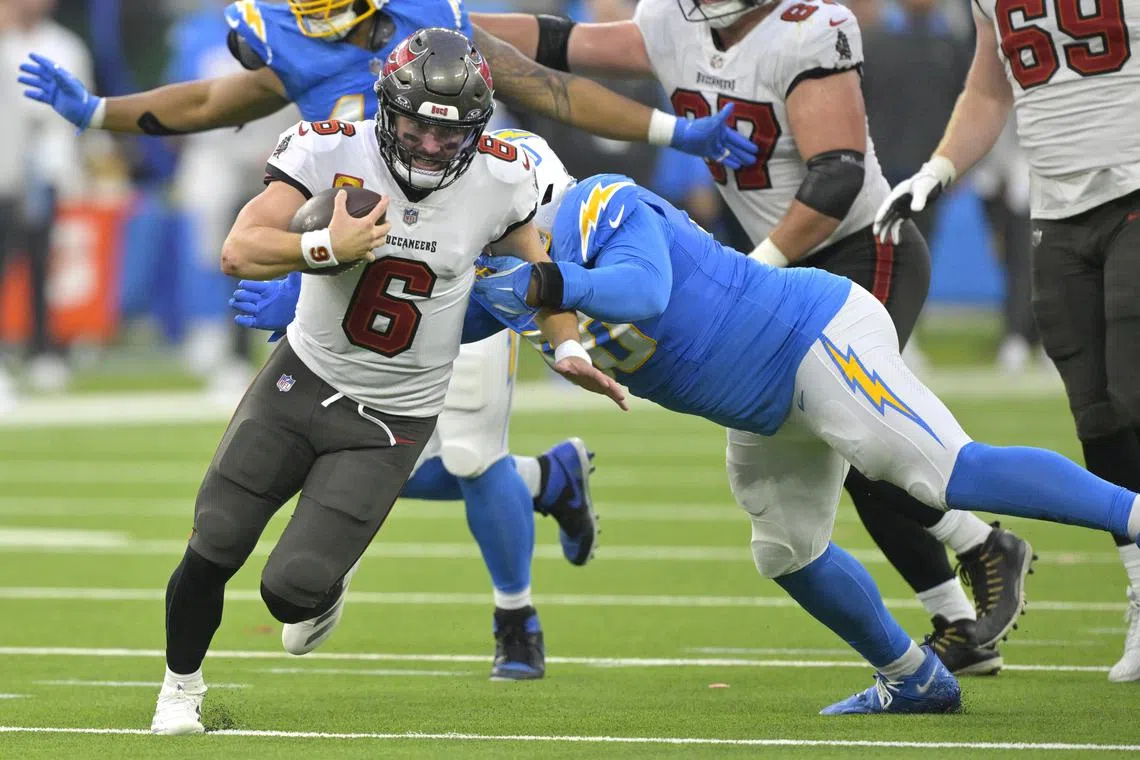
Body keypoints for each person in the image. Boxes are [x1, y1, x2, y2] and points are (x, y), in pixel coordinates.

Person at [16, 0, 716, 680]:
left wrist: (670, 132)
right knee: (321, 475)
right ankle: (542, 480)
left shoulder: (442, 35)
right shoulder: (296, 59)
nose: (311, 12)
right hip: (350, 261)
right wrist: (101, 112)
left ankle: (515, 616)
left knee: (472, 452)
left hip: (460, 260)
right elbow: (210, 104)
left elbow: (549, 86)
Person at [469, 136, 1140, 714]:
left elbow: (644, 291)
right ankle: (913, 680)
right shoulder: (509, 277)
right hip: (758, 406)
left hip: (811, 338)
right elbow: (437, 327)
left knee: (945, 472)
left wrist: (549, 285)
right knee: (787, 550)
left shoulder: (599, 202)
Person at [470, 0, 1030, 672]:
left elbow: (837, 176)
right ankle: (961, 620)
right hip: (780, 268)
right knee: (847, 447)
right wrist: (441, 21)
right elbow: (562, 43)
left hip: (856, 248)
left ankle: (980, 547)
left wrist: (753, 269)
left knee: (865, 438)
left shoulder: (808, 29)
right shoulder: (676, 26)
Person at [146, 29, 624, 735]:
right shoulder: (328, 148)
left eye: (450, 133)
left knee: (289, 593)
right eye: (418, 127)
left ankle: (324, 577)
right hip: (302, 379)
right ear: (387, 109)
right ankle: (179, 691)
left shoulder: (501, 177)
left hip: (392, 420)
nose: (432, 146)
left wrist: (570, 348)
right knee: (216, 536)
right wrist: (323, 247)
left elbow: (542, 277)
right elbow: (240, 248)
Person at [873, 0, 1140, 683]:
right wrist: (938, 170)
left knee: (1135, 388)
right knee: (1099, 415)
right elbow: (991, 86)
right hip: (1057, 208)